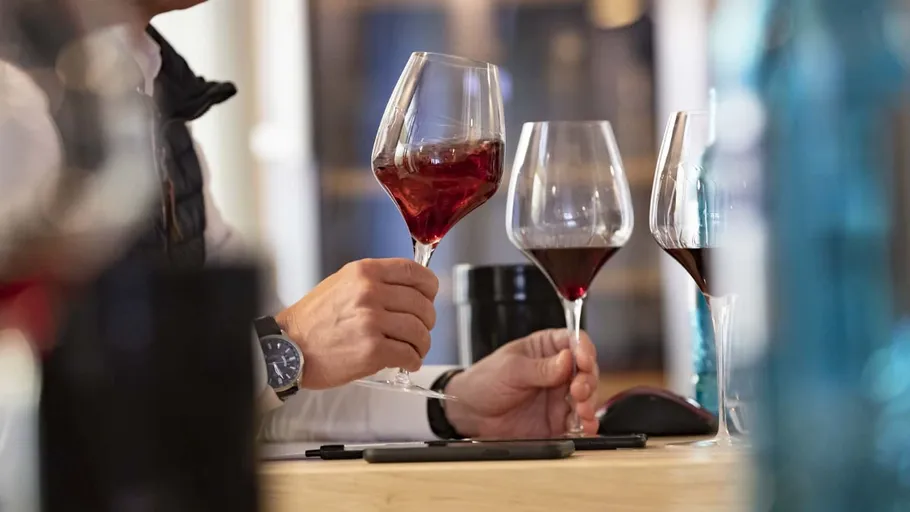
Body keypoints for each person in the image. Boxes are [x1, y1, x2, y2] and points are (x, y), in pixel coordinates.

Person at [0, 0, 600, 442]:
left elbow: (268, 393)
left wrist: (459, 402)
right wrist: (285, 344)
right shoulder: (15, 106)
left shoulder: (155, 118)